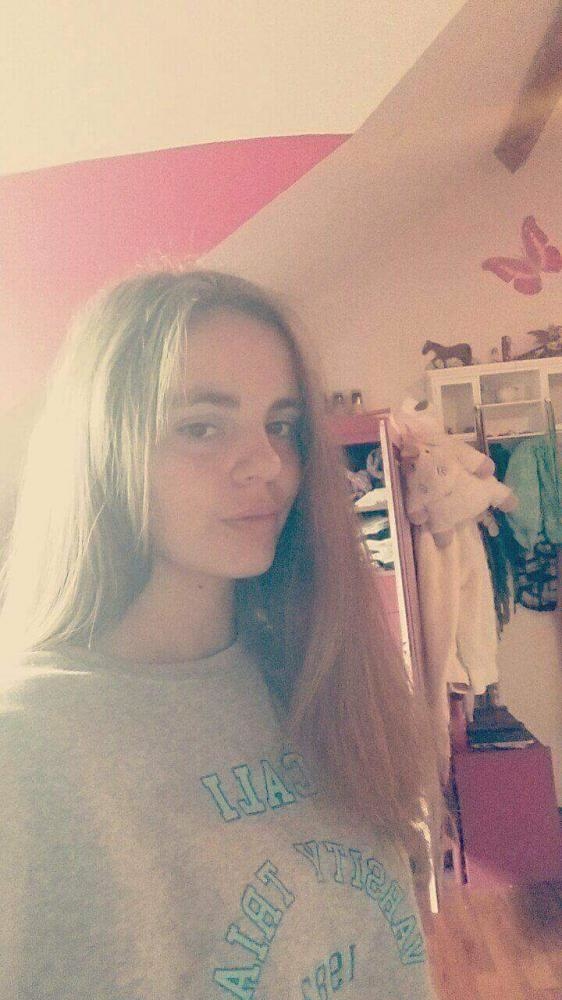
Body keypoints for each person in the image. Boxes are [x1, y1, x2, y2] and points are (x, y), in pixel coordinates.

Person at [0, 269, 439, 999]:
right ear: (102, 446)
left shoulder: (319, 673)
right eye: (202, 427)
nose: (268, 464)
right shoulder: (27, 744)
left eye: (282, 426)